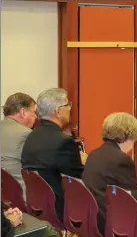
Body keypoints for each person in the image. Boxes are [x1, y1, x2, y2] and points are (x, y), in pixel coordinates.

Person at [82, 112, 137, 236]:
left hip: (92, 218)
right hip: (111, 221)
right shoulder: (121, 159)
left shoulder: (94, 154)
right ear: (126, 137)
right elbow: (132, 199)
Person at [21, 88, 87, 221]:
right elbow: (79, 180)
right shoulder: (63, 141)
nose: (70, 108)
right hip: (59, 207)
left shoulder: (31, 135)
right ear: (58, 111)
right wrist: (86, 162)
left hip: (37, 203)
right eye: (67, 105)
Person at [1, 93, 37, 200]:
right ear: (22, 112)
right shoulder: (27, 134)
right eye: (34, 112)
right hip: (20, 198)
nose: (35, 116)